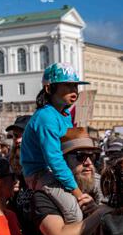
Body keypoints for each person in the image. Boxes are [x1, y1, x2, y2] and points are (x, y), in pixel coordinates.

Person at [21, 62, 91, 224]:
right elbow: (55, 160)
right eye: (67, 86)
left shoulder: (64, 114)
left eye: (75, 86)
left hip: (55, 170)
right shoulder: (46, 117)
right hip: (40, 173)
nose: (74, 91)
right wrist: (78, 194)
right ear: (49, 89)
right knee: (75, 215)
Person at [32, 128, 114, 235]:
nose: (88, 163)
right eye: (80, 156)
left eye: (92, 156)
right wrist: (99, 213)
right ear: (62, 162)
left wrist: (99, 209)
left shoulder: (102, 188)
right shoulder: (45, 195)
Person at [5, 115, 37, 235]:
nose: (18, 140)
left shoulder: (46, 164)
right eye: (15, 136)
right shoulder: (10, 167)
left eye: (22, 135)